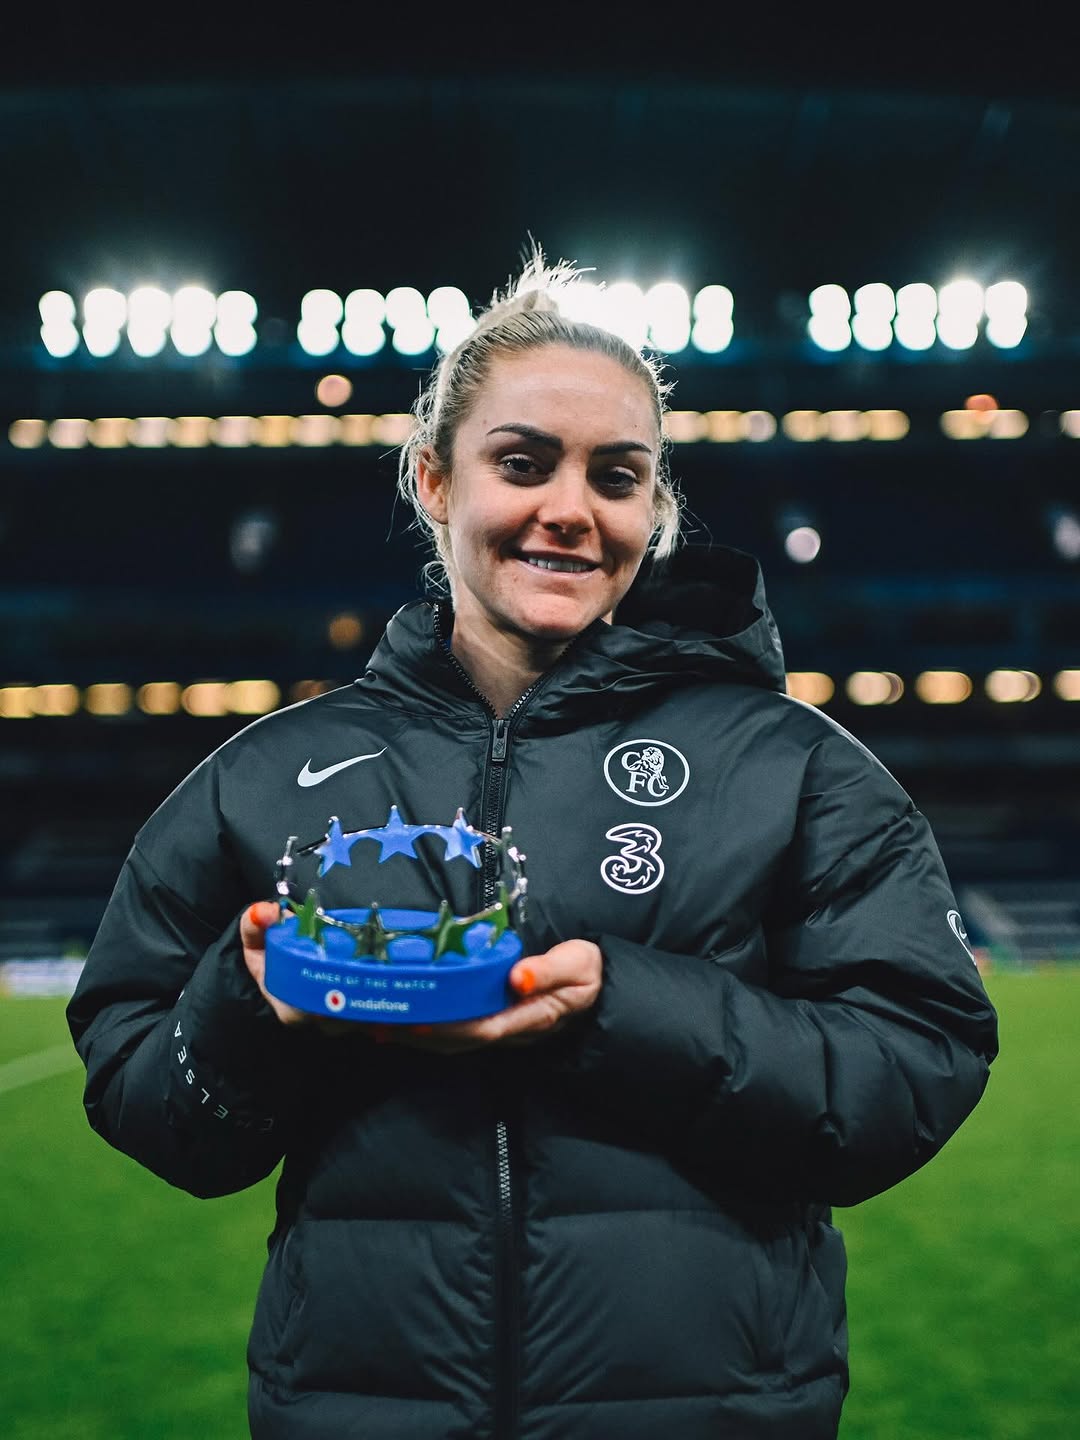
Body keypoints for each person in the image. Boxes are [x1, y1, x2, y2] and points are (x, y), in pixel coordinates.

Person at [68, 252, 998, 1440]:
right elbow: (144, 1089)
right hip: (362, 1415)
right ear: (433, 480)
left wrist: (619, 1008)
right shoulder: (266, 775)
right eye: (521, 462)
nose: (571, 507)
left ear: (654, 510)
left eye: (618, 476)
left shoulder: (792, 765)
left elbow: (916, 1065)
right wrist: (251, 1008)